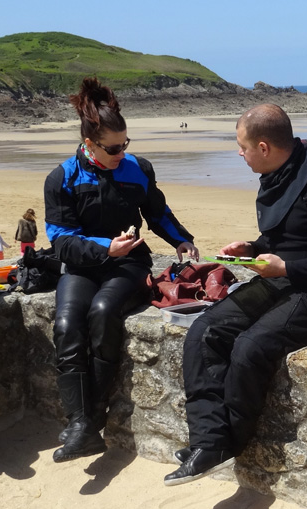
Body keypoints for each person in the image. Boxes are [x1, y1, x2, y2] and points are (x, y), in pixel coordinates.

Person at [164, 103, 307, 486]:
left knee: (251, 347)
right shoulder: (275, 177)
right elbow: (284, 238)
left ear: (264, 147)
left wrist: (286, 268)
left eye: (243, 146)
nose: (240, 153)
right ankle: (209, 440)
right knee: (204, 331)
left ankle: (225, 443)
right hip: (277, 281)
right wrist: (253, 248)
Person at [44, 77, 199, 463]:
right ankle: (82, 423)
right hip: (81, 265)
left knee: (102, 312)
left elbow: (157, 212)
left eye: (125, 145)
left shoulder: (137, 169)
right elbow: (61, 240)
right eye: (112, 148)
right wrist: (103, 247)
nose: (120, 153)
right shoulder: (62, 177)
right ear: (88, 142)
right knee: (66, 325)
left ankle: (87, 421)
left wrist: (180, 239)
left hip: (130, 264)